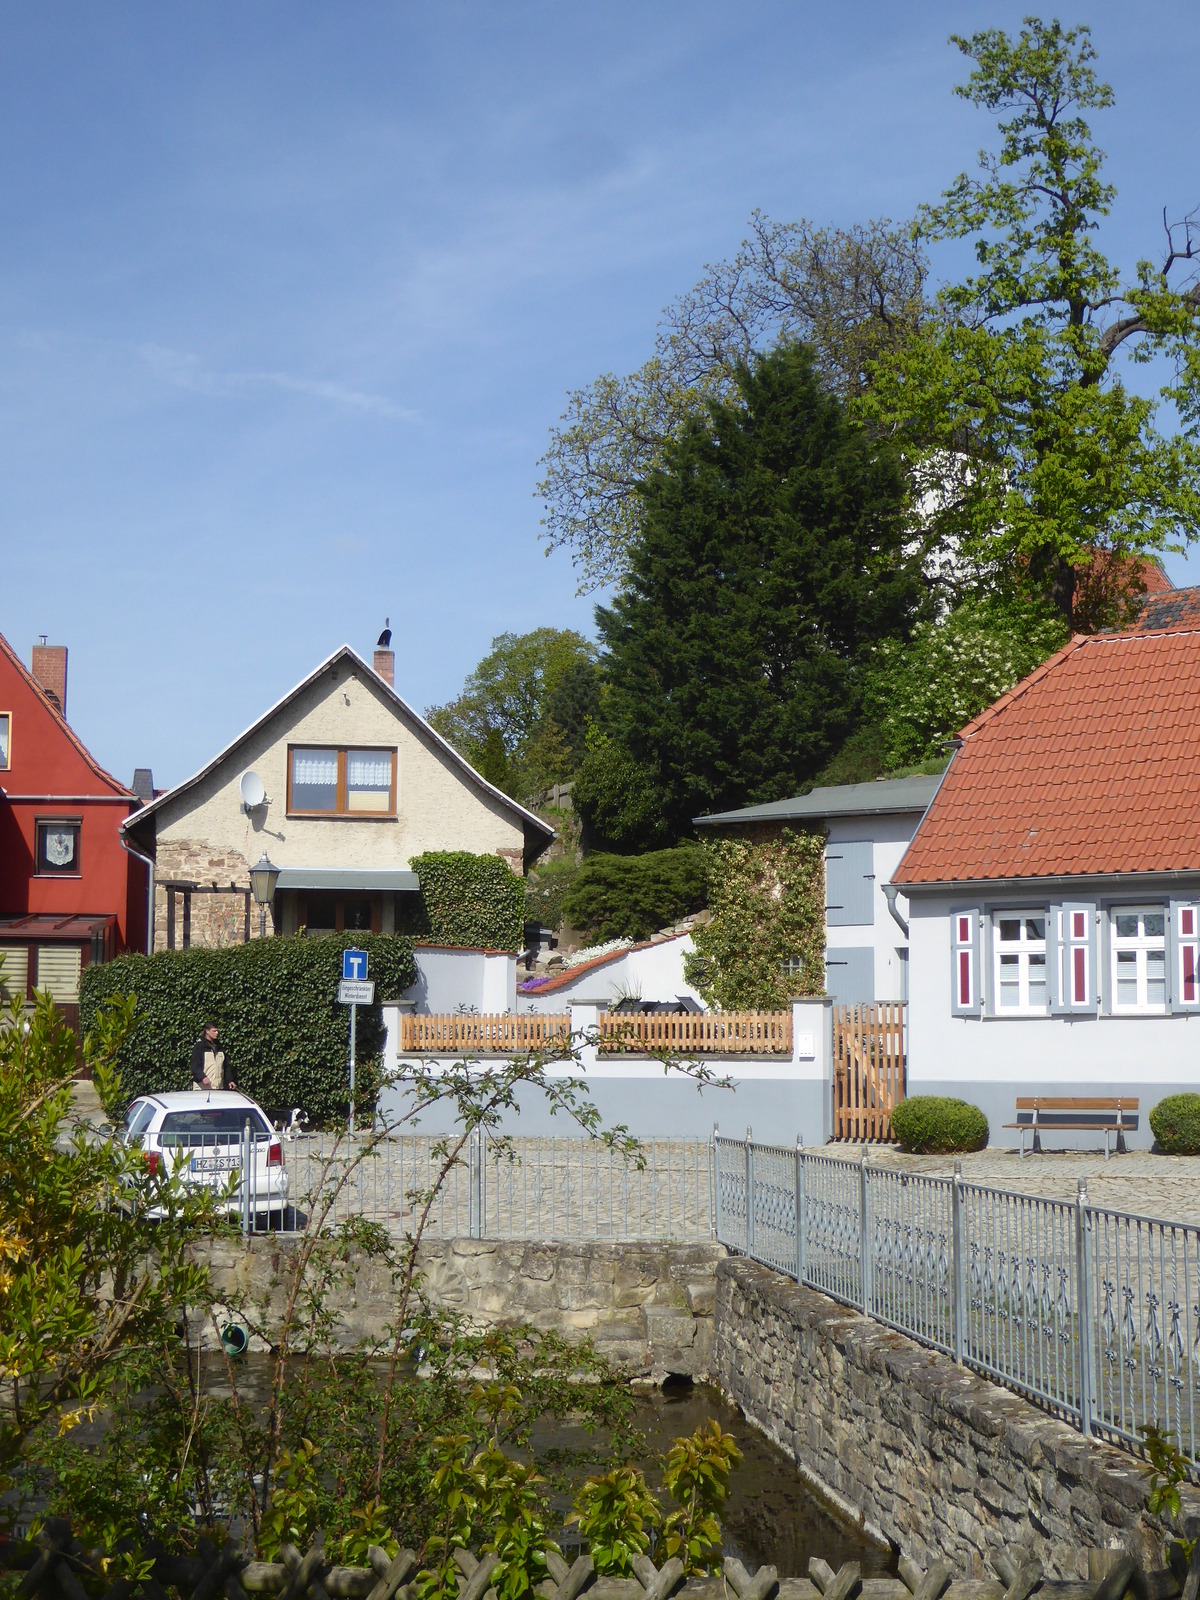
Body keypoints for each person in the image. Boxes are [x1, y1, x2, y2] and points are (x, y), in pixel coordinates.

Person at [190, 1020, 236, 1092]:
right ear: (207, 1031)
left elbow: (226, 1066)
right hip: (202, 1088)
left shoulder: (219, 1047)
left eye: (217, 1031)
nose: (217, 1033)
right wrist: (202, 1077)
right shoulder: (199, 1046)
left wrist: (229, 1080)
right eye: (214, 1031)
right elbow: (195, 1066)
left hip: (218, 1088)